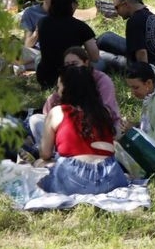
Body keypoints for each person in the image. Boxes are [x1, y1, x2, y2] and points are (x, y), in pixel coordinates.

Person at [36, 64, 129, 195]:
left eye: (59, 87)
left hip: (73, 179)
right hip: (111, 177)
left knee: (40, 163)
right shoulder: (104, 112)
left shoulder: (57, 112)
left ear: (67, 89)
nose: (57, 92)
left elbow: (45, 154)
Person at [30, 46, 121, 143]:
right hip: (72, 130)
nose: (71, 68)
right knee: (36, 120)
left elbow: (107, 110)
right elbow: (48, 115)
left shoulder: (101, 81)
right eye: (67, 65)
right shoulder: (64, 82)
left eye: (74, 64)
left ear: (86, 63)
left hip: (96, 127)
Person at [35, 0, 100, 89]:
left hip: (45, 77)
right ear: (72, 5)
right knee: (104, 60)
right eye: (76, 2)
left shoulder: (42, 22)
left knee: (38, 57)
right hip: (71, 78)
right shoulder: (80, 27)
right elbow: (95, 57)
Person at [97, 0, 155, 73]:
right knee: (106, 37)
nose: (117, 12)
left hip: (142, 65)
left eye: (117, 8)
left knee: (100, 56)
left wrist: (144, 74)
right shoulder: (153, 16)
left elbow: (142, 52)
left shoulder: (134, 21)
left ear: (125, 4)